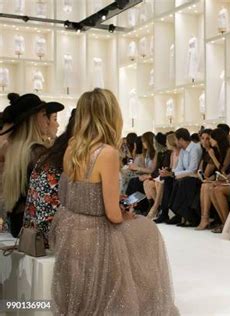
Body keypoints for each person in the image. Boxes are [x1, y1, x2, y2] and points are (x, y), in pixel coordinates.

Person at [49, 88, 178, 314]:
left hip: (68, 227)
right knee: (147, 230)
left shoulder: (72, 146)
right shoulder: (106, 153)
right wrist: (125, 213)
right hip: (94, 233)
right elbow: (112, 215)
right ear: (110, 115)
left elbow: (75, 191)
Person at [1, 93, 64, 238]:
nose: (47, 121)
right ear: (32, 119)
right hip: (32, 226)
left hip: (17, 223)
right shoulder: (37, 153)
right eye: (43, 115)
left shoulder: (14, 150)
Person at [23, 110, 76, 246]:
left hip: (33, 232)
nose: (56, 124)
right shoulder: (69, 154)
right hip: (51, 235)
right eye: (53, 118)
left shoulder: (50, 154)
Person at [196, 128, 230, 229]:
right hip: (221, 178)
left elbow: (223, 170)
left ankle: (221, 222)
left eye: (210, 138)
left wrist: (212, 156)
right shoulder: (216, 150)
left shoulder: (228, 150)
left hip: (228, 178)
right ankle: (204, 218)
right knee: (205, 185)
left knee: (208, 186)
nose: (209, 141)